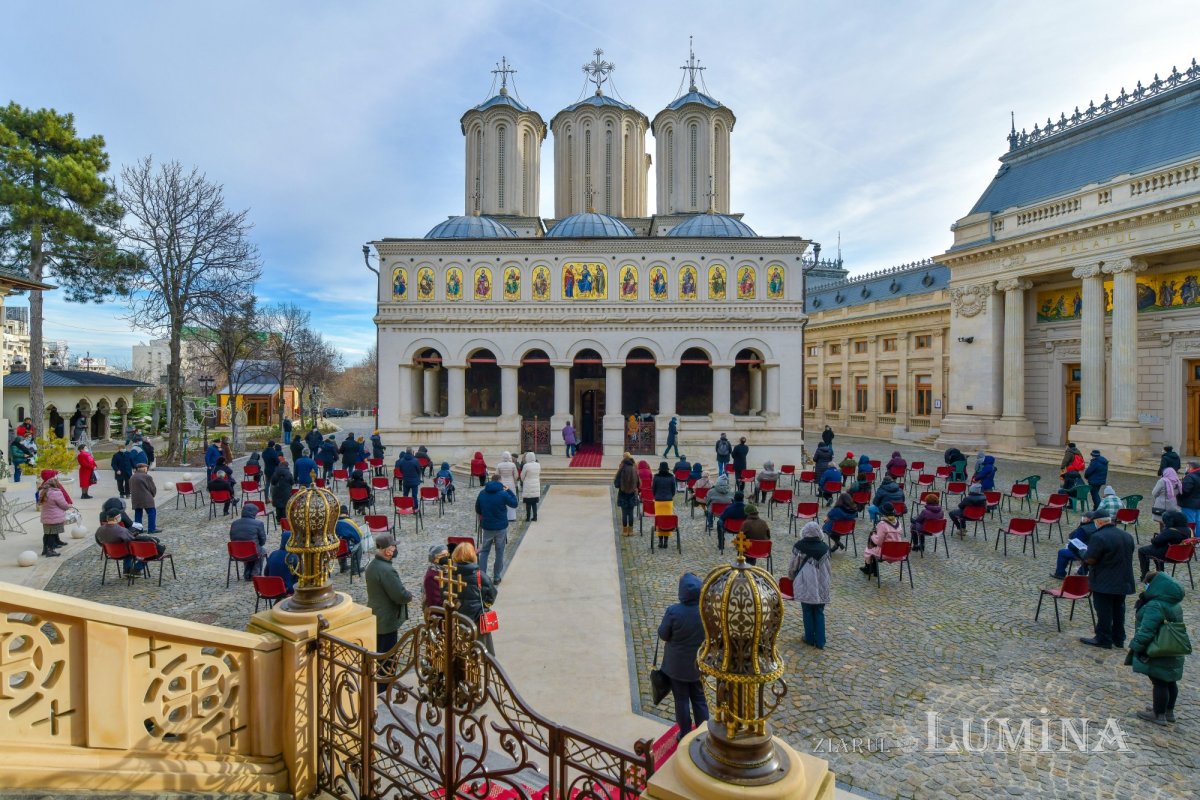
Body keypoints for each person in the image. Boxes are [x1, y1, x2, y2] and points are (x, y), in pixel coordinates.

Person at [1127, 571, 1186, 725]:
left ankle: (1158, 714)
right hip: (1173, 647)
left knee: (1159, 681)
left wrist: (1136, 646)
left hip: (1158, 647)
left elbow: (1147, 630)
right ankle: (1168, 711)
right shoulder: (1173, 602)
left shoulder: (1155, 605)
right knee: (1170, 680)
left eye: (1147, 584)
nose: (1146, 587)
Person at [657, 573, 708, 739]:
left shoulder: (673, 611)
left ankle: (685, 733)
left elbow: (663, 634)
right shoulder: (705, 612)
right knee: (699, 699)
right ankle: (703, 733)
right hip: (697, 665)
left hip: (677, 667)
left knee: (681, 700)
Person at [1080, 509, 1136, 649]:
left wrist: (1083, 554)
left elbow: (1091, 559)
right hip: (1123, 579)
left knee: (1104, 610)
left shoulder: (1098, 537)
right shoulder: (1127, 536)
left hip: (1104, 581)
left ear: (1098, 522)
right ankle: (1119, 638)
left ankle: (1103, 638)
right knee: (1119, 610)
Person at [366, 534, 413, 658]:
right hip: (386, 621)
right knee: (387, 656)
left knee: (379, 651)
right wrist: (409, 595)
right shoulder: (387, 570)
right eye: (393, 547)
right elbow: (400, 596)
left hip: (376, 615)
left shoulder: (372, 565)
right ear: (387, 551)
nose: (395, 549)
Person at [789, 522, 832, 648]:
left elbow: (792, 566)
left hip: (805, 583)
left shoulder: (799, 546)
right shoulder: (825, 548)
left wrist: (791, 577)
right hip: (822, 583)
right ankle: (820, 641)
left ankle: (809, 638)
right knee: (819, 611)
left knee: (807, 611)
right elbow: (828, 569)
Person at [453, 541, 497, 655]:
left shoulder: (450, 575)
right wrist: (484, 605)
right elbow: (492, 595)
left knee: (461, 652)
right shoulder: (480, 575)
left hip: (458, 620)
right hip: (477, 620)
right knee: (482, 651)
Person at [475, 473, 518, 584]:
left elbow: (478, 509)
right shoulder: (503, 494)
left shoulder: (482, 493)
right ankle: (497, 576)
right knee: (499, 551)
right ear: (500, 481)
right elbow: (514, 503)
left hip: (487, 526)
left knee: (484, 551)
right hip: (500, 527)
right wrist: (509, 490)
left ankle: (483, 576)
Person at [1138, 509, 1190, 582]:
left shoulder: (1171, 531)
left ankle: (1145, 575)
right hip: (1184, 555)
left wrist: (1156, 537)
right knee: (1157, 548)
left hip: (1170, 556)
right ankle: (1160, 572)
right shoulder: (1189, 530)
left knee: (1142, 550)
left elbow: (1155, 541)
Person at [1052, 510, 1100, 580]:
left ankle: (1060, 573)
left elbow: (1074, 545)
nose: (1083, 518)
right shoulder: (1098, 527)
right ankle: (1080, 573)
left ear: (1088, 519)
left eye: (1084, 517)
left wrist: (1069, 546)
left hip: (1082, 553)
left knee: (1062, 552)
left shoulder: (1083, 529)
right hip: (1094, 553)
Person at [95, 510, 143, 576]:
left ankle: (127, 570)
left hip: (110, 553)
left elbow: (98, 541)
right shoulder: (122, 530)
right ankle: (136, 569)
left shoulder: (99, 530)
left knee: (127, 548)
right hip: (124, 553)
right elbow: (132, 541)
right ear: (117, 517)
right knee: (132, 550)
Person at [862, 502, 903, 577]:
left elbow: (879, 542)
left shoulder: (882, 524)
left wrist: (872, 535)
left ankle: (869, 568)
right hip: (898, 552)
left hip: (885, 552)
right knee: (874, 548)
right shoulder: (898, 523)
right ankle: (873, 570)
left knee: (869, 549)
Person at [229, 504, 267, 580]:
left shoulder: (234, 523)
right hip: (252, 552)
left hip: (236, 553)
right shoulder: (258, 524)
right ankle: (255, 573)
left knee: (250, 550)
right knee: (262, 550)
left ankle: (247, 573)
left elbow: (232, 539)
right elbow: (262, 541)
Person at [38, 475, 73, 557]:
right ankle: (50, 550)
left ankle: (45, 550)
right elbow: (64, 505)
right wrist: (68, 506)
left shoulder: (43, 492)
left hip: (46, 517)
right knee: (52, 534)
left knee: (47, 534)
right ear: (56, 484)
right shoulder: (56, 493)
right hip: (55, 517)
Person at [130, 463, 162, 533]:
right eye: (146, 468)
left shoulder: (132, 477)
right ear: (144, 468)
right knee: (151, 512)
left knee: (138, 513)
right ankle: (151, 529)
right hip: (146, 498)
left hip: (135, 498)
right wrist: (152, 495)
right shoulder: (147, 477)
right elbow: (152, 488)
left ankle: (138, 529)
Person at [335, 506, 366, 575]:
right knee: (359, 545)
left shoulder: (333, 523)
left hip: (335, 549)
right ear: (347, 513)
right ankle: (355, 569)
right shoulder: (349, 522)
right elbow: (359, 536)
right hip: (347, 549)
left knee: (340, 544)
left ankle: (343, 567)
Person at [614, 456, 640, 536]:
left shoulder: (621, 470)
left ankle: (625, 531)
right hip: (632, 494)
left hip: (623, 494)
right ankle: (631, 531)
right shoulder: (634, 470)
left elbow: (616, 484)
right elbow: (638, 483)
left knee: (624, 513)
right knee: (631, 513)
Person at [423, 544, 450, 611]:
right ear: (435, 559)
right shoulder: (432, 576)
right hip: (439, 612)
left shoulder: (446, 570)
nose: (446, 557)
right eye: (442, 555)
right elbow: (435, 601)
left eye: (447, 554)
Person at [520, 452, 541, 522]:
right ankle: (535, 517)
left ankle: (528, 517)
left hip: (528, 485)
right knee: (534, 503)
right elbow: (538, 473)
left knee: (528, 503)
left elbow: (522, 476)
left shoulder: (526, 465)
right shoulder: (538, 465)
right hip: (536, 484)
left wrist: (524, 480)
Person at [1178, 461, 1200, 526]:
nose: (1186, 468)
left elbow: (1185, 491)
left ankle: (1190, 533)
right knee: (1198, 521)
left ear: (1191, 467)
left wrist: (1178, 495)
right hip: (1198, 503)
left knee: (1189, 522)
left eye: (1187, 466)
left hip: (1188, 503)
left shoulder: (1189, 477)